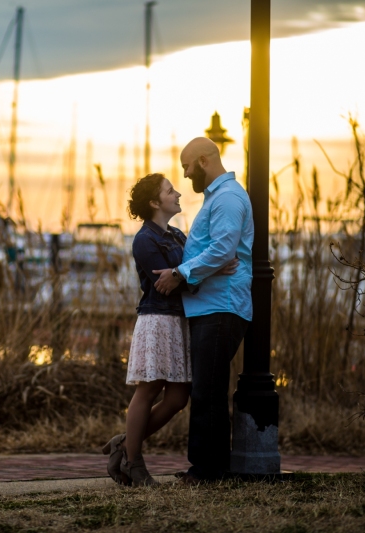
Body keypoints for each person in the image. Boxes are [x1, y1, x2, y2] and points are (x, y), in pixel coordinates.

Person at [102, 173, 237, 487]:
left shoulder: (176, 235)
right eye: (169, 190)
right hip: (158, 321)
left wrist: (204, 269)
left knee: (178, 397)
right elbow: (168, 286)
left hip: (181, 321)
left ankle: (123, 445)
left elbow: (188, 273)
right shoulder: (144, 240)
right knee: (148, 389)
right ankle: (134, 463)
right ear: (154, 202)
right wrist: (207, 270)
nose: (177, 193)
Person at [152, 137, 254, 484]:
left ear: (204, 161)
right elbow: (218, 251)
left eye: (186, 166)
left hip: (221, 306)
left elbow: (224, 248)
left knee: (208, 390)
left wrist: (181, 274)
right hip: (212, 305)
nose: (185, 174)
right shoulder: (220, 198)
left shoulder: (227, 198)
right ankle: (210, 467)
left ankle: (208, 471)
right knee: (207, 387)